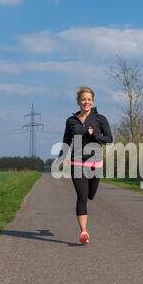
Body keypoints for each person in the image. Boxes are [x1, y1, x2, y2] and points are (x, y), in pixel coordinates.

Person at [58, 86, 113, 245]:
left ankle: (90, 196)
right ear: (78, 101)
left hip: (95, 163)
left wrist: (94, 135)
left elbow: (109, 140)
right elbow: (66, 140)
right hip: (77, 162)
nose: (86, 102)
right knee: (82, 197)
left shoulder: (100, 119)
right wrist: (61, 157)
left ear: (93, 101)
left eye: (89, 99)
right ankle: (83, 232)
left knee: (90, 195)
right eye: (83, 99)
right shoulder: (71, 121)